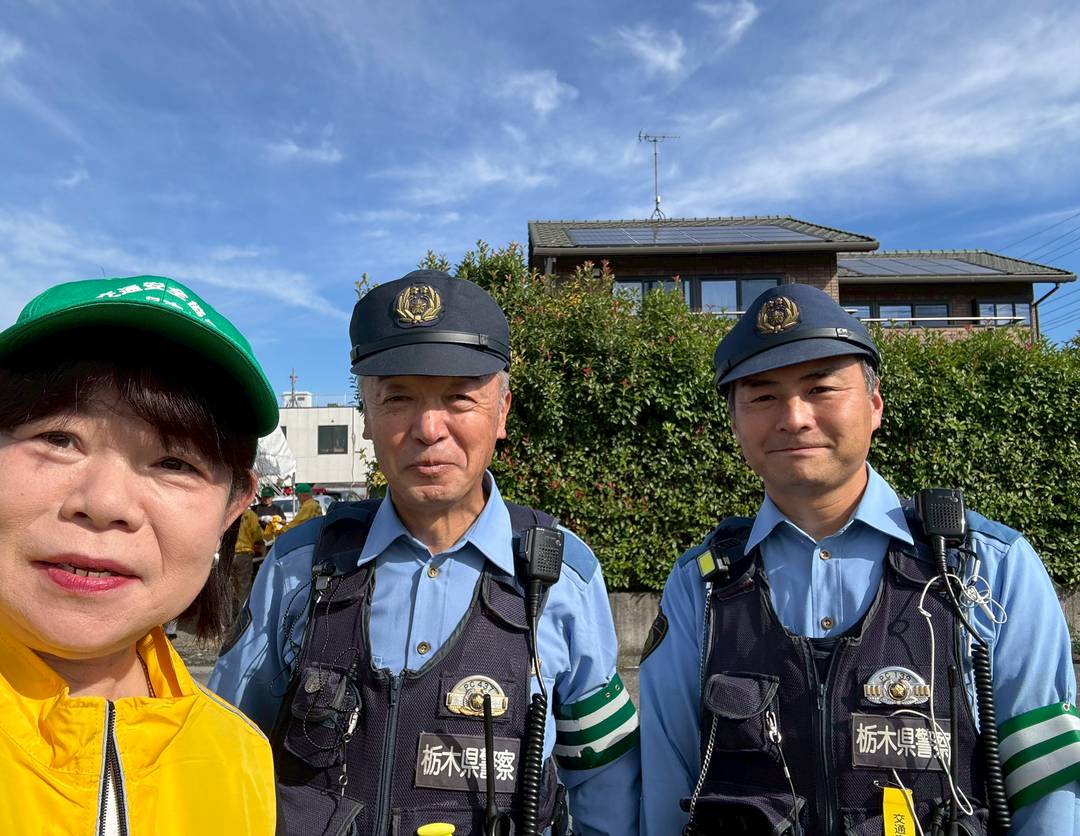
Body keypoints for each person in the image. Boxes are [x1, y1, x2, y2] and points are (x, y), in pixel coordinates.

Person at [639, 283, 1079, 835]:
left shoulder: (987, 569)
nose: (794, 417)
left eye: (821, 388)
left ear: (874, 406)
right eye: (763, 397)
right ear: (735, 422)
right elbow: (667, 788)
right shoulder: (701, 586)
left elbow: (1049, 792)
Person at [211, 269, 640, 836]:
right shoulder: (300, 567)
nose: (428, 429)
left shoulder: (562, 576)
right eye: (398, 398)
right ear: (367, 417)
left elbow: (606, 782)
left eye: (459, 397)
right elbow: (224, 753)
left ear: (502, 411)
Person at [0, 276, 279, 834]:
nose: (104, 504)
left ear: (233, 507)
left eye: (175, 464)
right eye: (58, 439)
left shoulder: (241, 758)